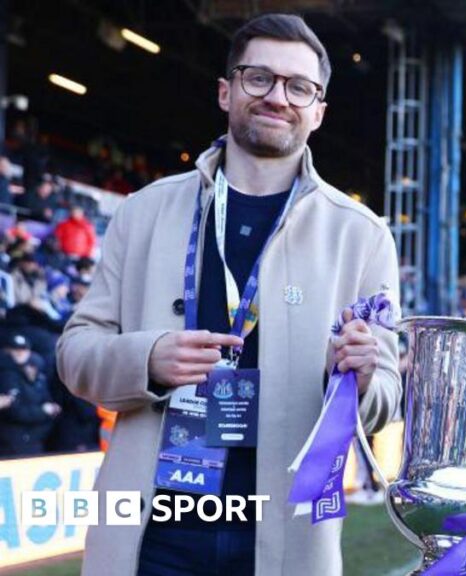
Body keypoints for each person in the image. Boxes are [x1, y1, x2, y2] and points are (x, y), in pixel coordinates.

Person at [56, 13, 402, 576]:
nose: (277, 97)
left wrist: (363, 376)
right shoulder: (144, 211)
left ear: (318, 111)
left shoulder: (361, 235)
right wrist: (147, 358)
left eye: (299, 87)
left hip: (284, 544)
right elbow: (74, 355)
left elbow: (386, 397)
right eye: (257, 78)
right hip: (150, 542)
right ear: (226, 91)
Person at [0, 333, 61, 457]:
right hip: (13, 440)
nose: (19, 353)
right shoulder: (6, 374)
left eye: (23, 349)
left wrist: (51, 409)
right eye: (15, 349)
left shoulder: (38, 373)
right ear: (8, 350)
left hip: (36, 437)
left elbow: (46, 398)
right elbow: (13, 411)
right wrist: (43, 411)